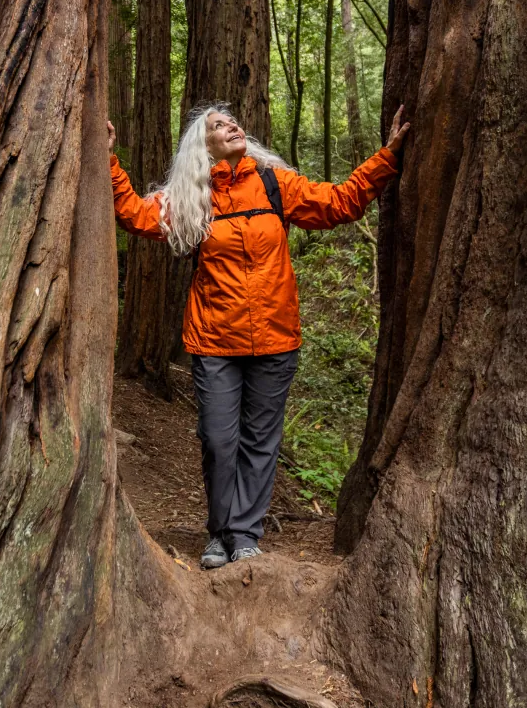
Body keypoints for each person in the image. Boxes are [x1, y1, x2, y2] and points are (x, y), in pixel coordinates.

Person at [107, 100, 410, 569]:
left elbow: (339, 202)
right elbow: (135, 214)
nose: (231, 126)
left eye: (232, 121)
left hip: (275, 340)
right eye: (217, 125)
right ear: (202, 146)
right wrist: (108, 161)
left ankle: (243, 535)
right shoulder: (194, 196)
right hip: (214, 341)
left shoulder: (273, 183)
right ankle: (219, 531)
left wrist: (387, 156)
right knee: (217, 438)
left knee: (259, 442)